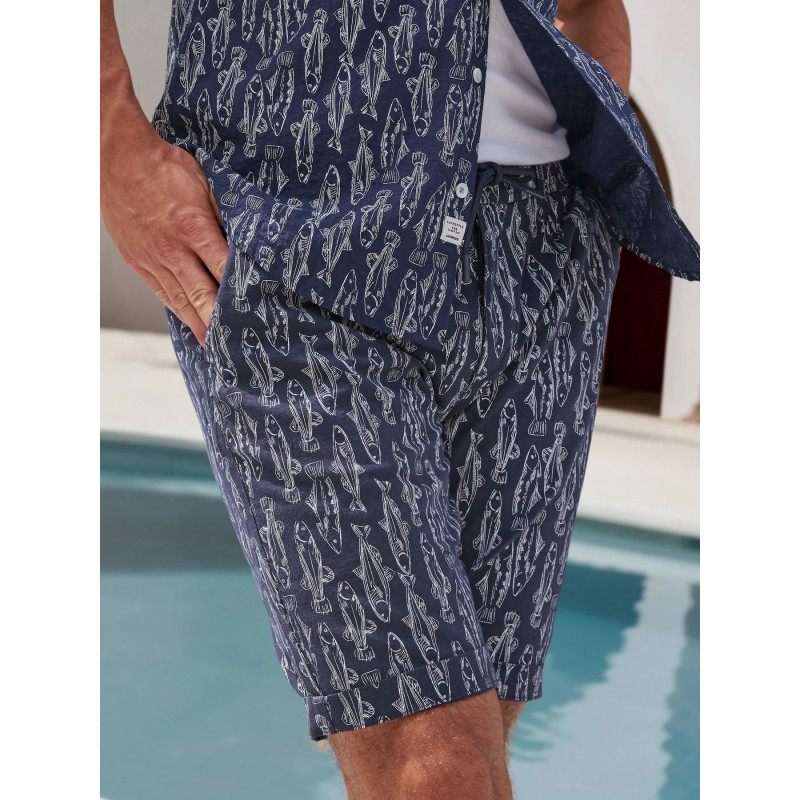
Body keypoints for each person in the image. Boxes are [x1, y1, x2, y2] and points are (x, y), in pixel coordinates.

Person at [100, 0, 699, 797]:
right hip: (299, 216)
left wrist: (590, 179)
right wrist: (110, 146)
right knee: (438, 768)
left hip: (543, 242)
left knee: (480, 741)